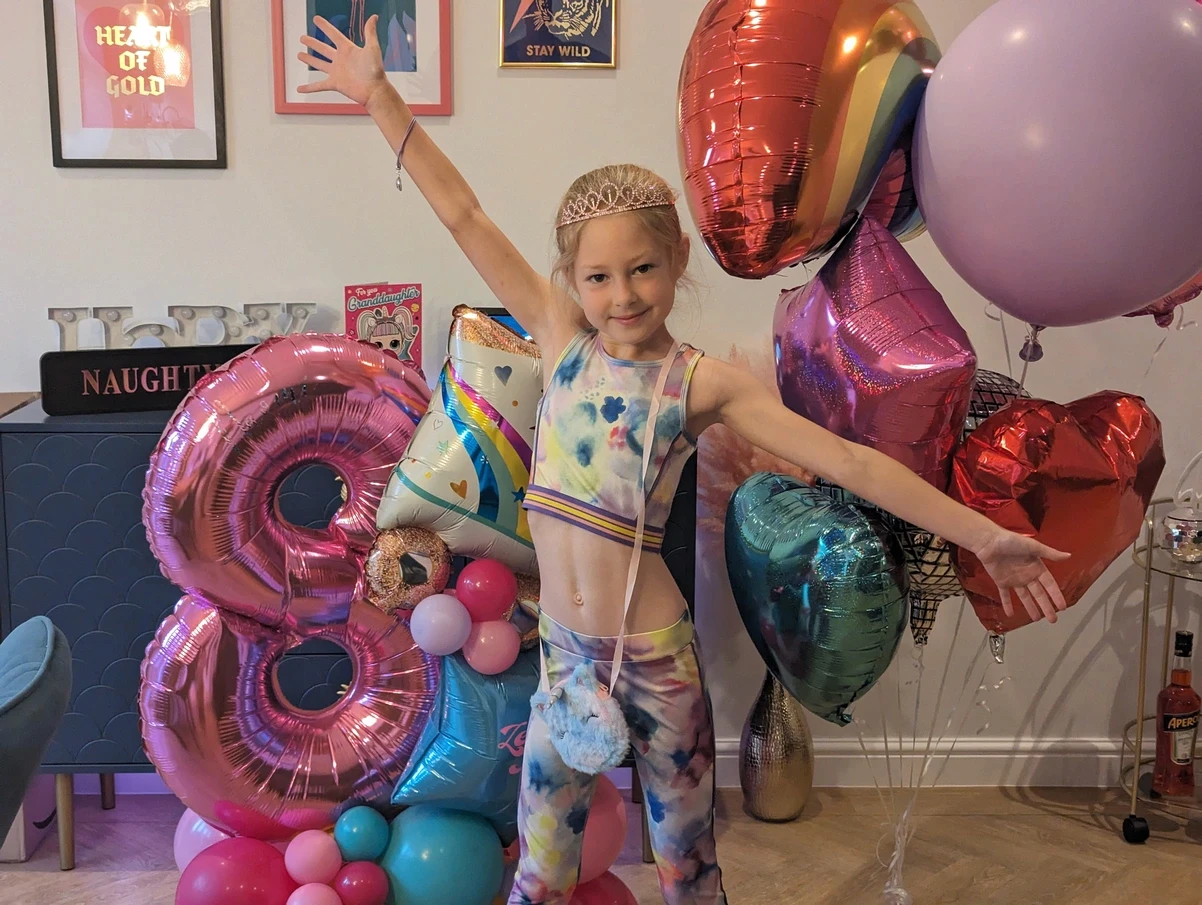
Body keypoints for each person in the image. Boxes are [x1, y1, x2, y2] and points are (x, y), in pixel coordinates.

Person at [297, 16, 1071, 905]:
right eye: (598, 276)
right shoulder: (560, 341)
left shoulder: (699, 384)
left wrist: (984, 535)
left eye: (641, 270)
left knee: (688, 865)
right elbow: (465, 213)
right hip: (566, 659)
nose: (620, 294)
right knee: (539, 870)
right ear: (571, 281)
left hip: (657, 658)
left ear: (675, 266)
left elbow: (853, 464)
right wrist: (380, 99)